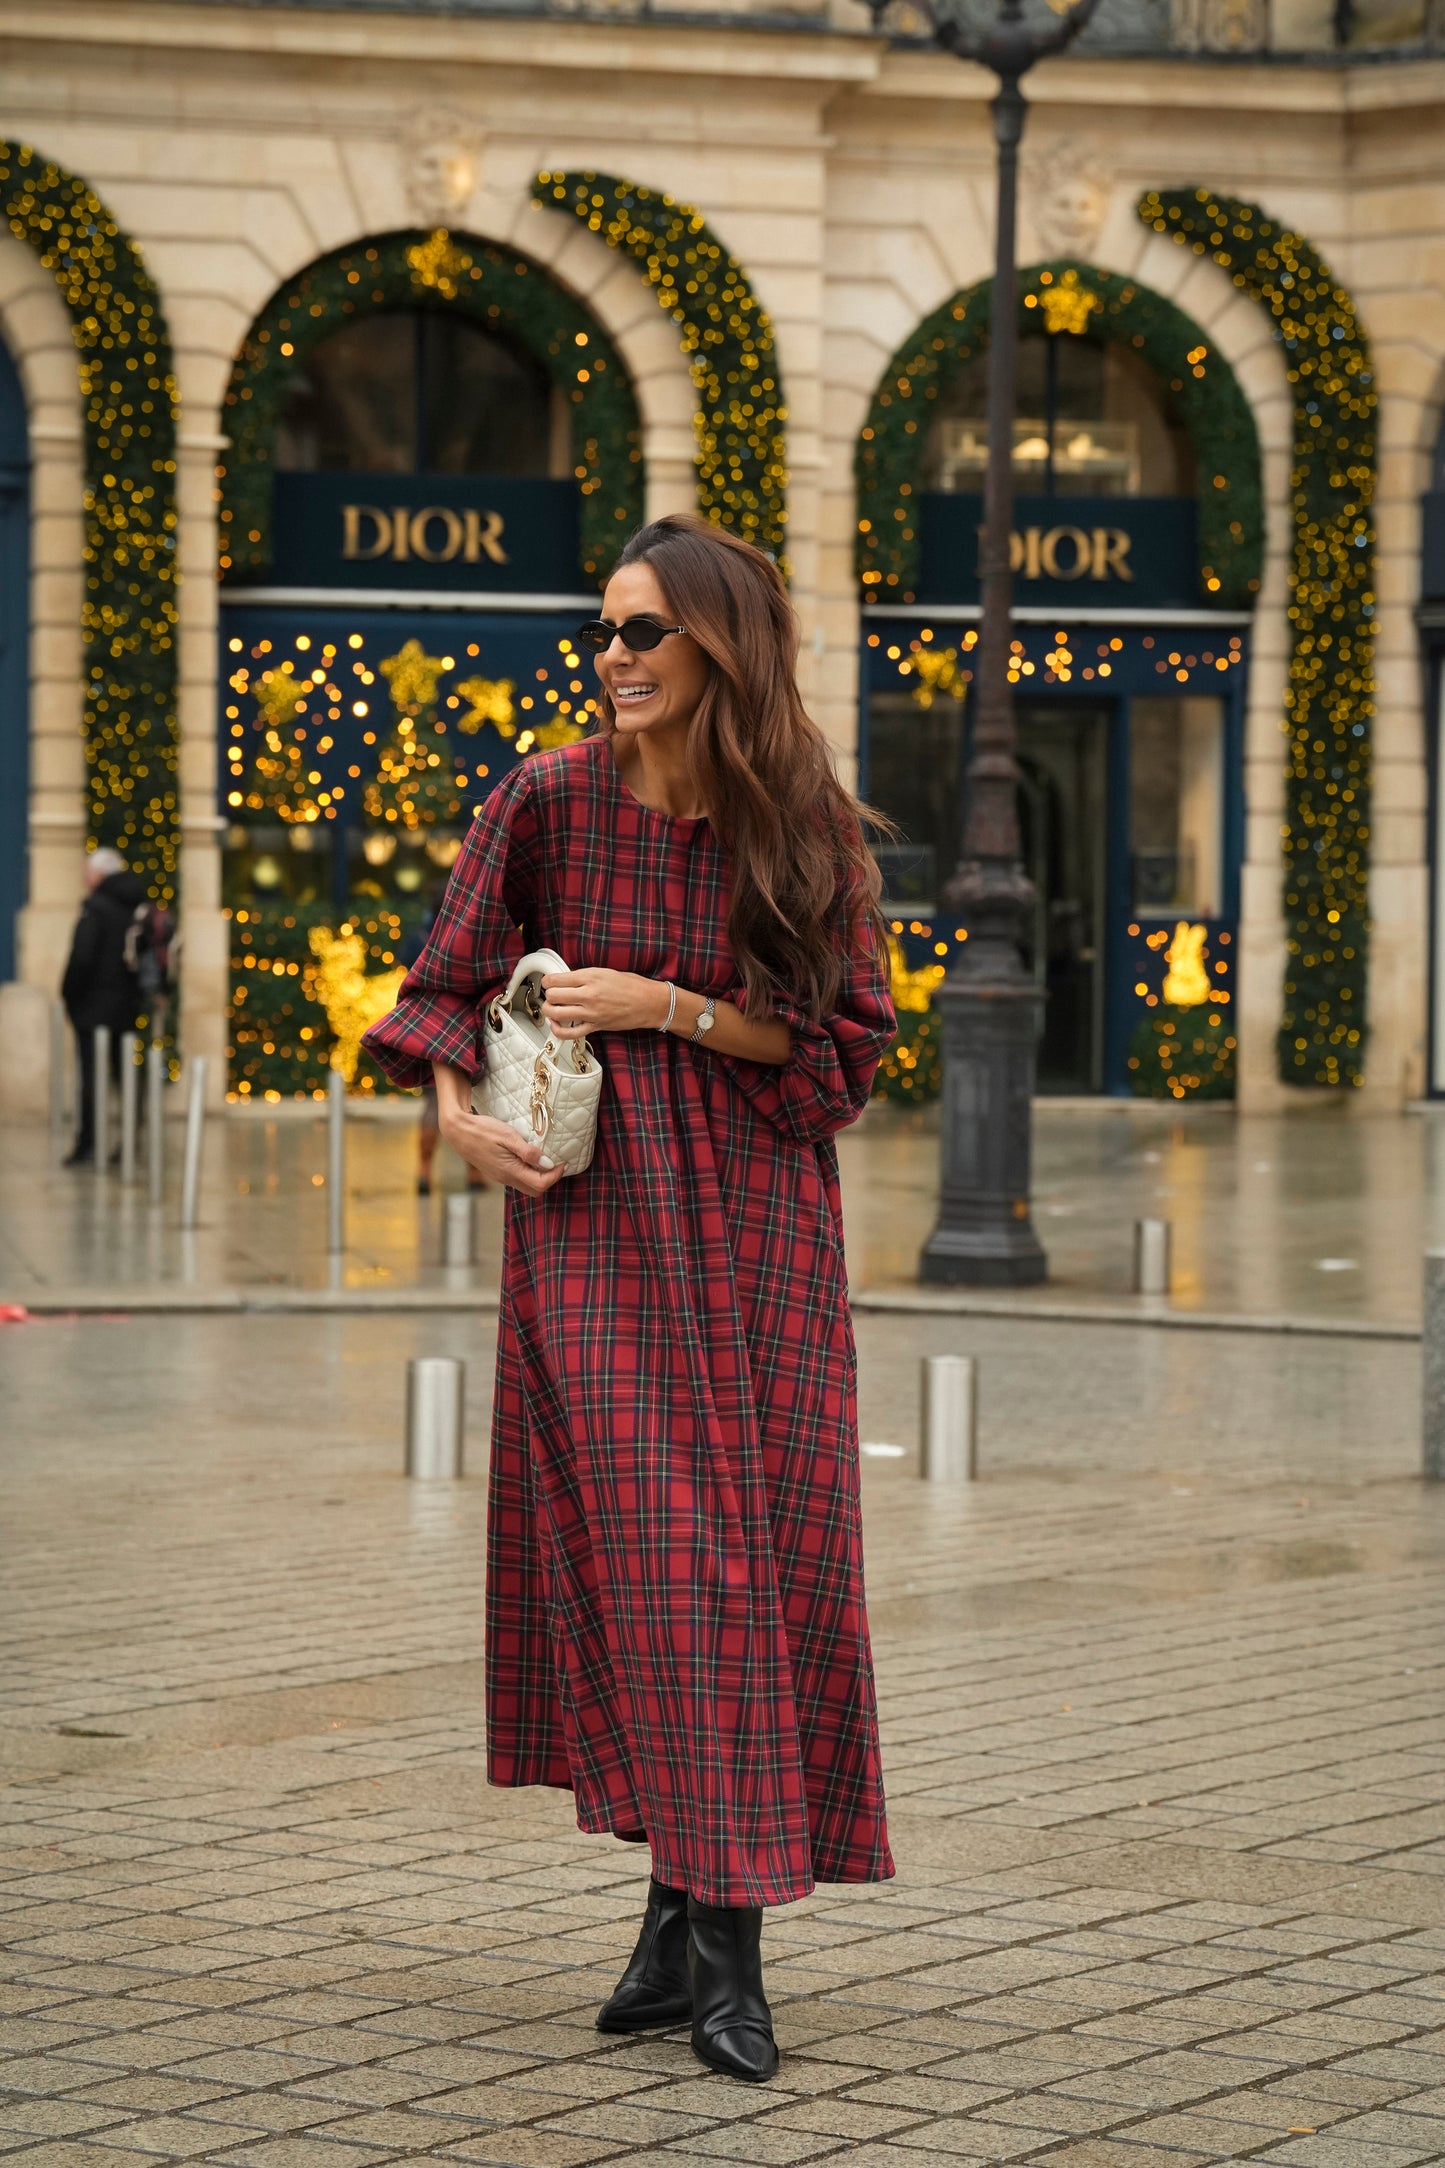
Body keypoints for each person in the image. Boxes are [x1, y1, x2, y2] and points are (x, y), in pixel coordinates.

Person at [363, 514, 896, 2085]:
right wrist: (454, 1119)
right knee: (664, 1564)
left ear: (722, 645)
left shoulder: (803, 825)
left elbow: (844, 1051)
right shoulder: (544, 796)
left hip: (758, 1228)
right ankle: (701, 1925)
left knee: (753, 1562)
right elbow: (441, 984)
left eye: (646, 631)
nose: (614, 657)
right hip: (589, 1229)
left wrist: (666, 1004)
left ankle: (699, 1928)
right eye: (604, 628)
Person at [60, 847, 148, 1166]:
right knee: (125, 1075)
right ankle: (128, 1143)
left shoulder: (95, 908)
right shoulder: (136, 906)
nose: (84, 877)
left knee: (92, 1079)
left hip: (94, 1007)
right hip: (126, 1005)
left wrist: (69, 994)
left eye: (87, 871)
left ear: (99, 874)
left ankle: (89, 1143)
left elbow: (82, 958)